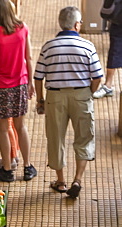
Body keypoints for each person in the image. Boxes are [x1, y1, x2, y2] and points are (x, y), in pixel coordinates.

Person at [34, 6, 103, 199]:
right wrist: (89, 92)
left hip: (55, 98)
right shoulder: (87, 46)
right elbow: (97, 77)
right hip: (81, 95)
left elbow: (38, 77)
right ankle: (77, 180)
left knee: (56, 138)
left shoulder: (48, 46)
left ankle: (61, 181)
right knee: (84, 137)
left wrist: (40, 100)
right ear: (76, 24)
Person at [0, 0, 36, 183]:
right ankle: (28, 167)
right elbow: (28, 57)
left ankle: (7, 170)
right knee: (21, 127)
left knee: (3, 129)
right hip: (20, 84)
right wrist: (30, 82)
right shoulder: (22, 29)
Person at [94, 0, 122, 97]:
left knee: (114, 53)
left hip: (117, 21)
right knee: (114, 53)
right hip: (118, 22)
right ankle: (108, 85)